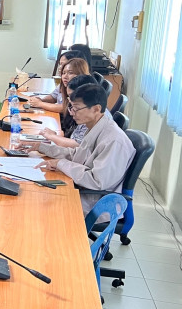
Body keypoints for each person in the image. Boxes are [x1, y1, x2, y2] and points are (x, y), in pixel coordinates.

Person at [28, 83, 135, 215]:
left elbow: (96, 181)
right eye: (71, 107)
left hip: (97, 204)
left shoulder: (114, 141)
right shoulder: (96, 126)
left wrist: (61, 163)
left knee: (40, 205)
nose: (71, 113)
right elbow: (77, 154)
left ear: (96, 109)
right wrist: (42, 147)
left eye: (76, 109)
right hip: (84, 191)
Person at [38, 74, 100, 148]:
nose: (70, 100)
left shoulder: (91, 113)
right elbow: (75, 139)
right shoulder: (83, 108)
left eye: (72, 96)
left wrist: (53, 137)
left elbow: (77, 145)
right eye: (69, 96)